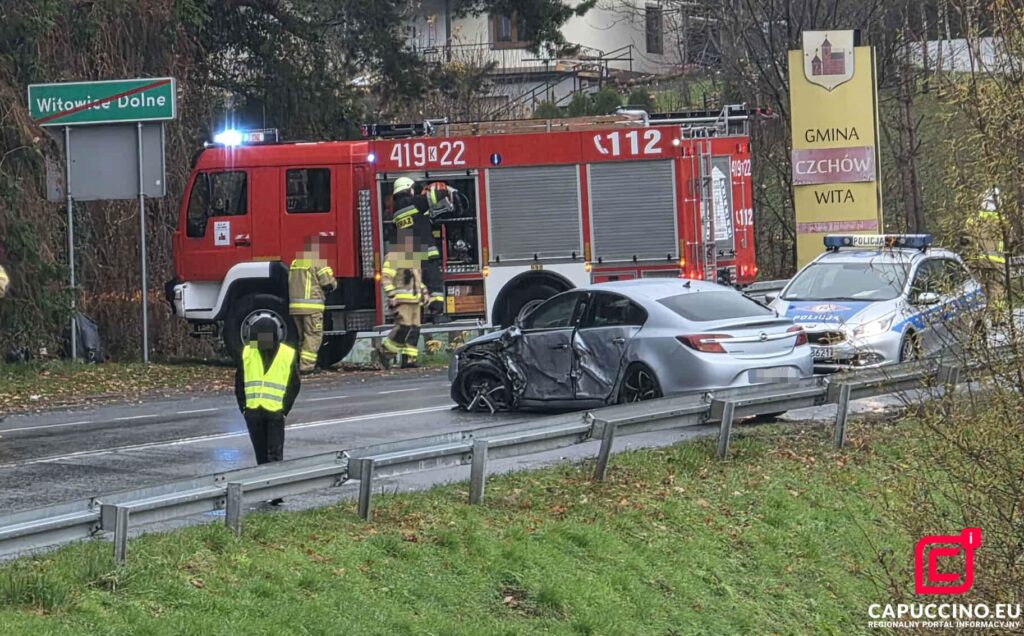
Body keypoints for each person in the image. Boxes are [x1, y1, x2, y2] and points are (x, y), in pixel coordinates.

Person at [234, 316, 300, 504]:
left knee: (274, 454)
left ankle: (275, 493)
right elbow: (239, 382)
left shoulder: (287, 354)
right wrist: (244, 408)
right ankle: (264, 490)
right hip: (254, 412)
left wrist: (284, 409)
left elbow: (294, 384)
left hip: (274, 412)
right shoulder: (248, 352)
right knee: (262, 455)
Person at [288, 237, 337, 373]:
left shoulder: (295, 263)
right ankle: (307, 367)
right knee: (313, 336)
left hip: (295, 308)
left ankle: (300, 364)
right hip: (312, 308)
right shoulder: (318, 263)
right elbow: (328, 283)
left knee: (302, 338)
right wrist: (333, 282)